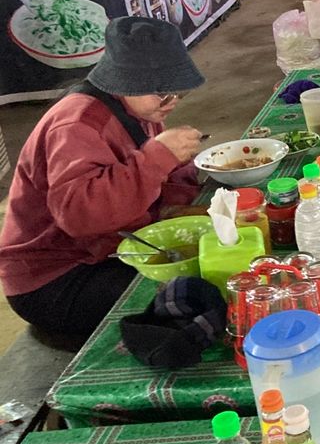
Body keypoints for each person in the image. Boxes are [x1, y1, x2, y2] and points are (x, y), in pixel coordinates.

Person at [0, 17, 206, 337]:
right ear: (123, 81)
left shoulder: (140, 110)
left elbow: (161, 178)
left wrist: (187, 187)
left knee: (212, 261)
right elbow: (80, 216)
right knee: (190, 300)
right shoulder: (77, 124)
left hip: (105, 249)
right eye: (162, 91)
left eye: (178, 91)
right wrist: (158, 157)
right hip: (55, 277)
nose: (172, 101)